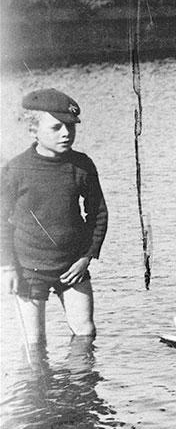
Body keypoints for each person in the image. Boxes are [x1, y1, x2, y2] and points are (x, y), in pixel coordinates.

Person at [1, 89, 107, 344]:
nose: (66, 133)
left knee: (85, 334)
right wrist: (7, 267)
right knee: (34, 343)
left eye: (71, 127)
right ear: (32, 130)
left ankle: (80, 383)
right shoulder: (15, 169)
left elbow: (99, 213)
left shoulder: (82, 165)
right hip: (29, 269)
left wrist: (86, 257)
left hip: (72, 265)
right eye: (56, 127)